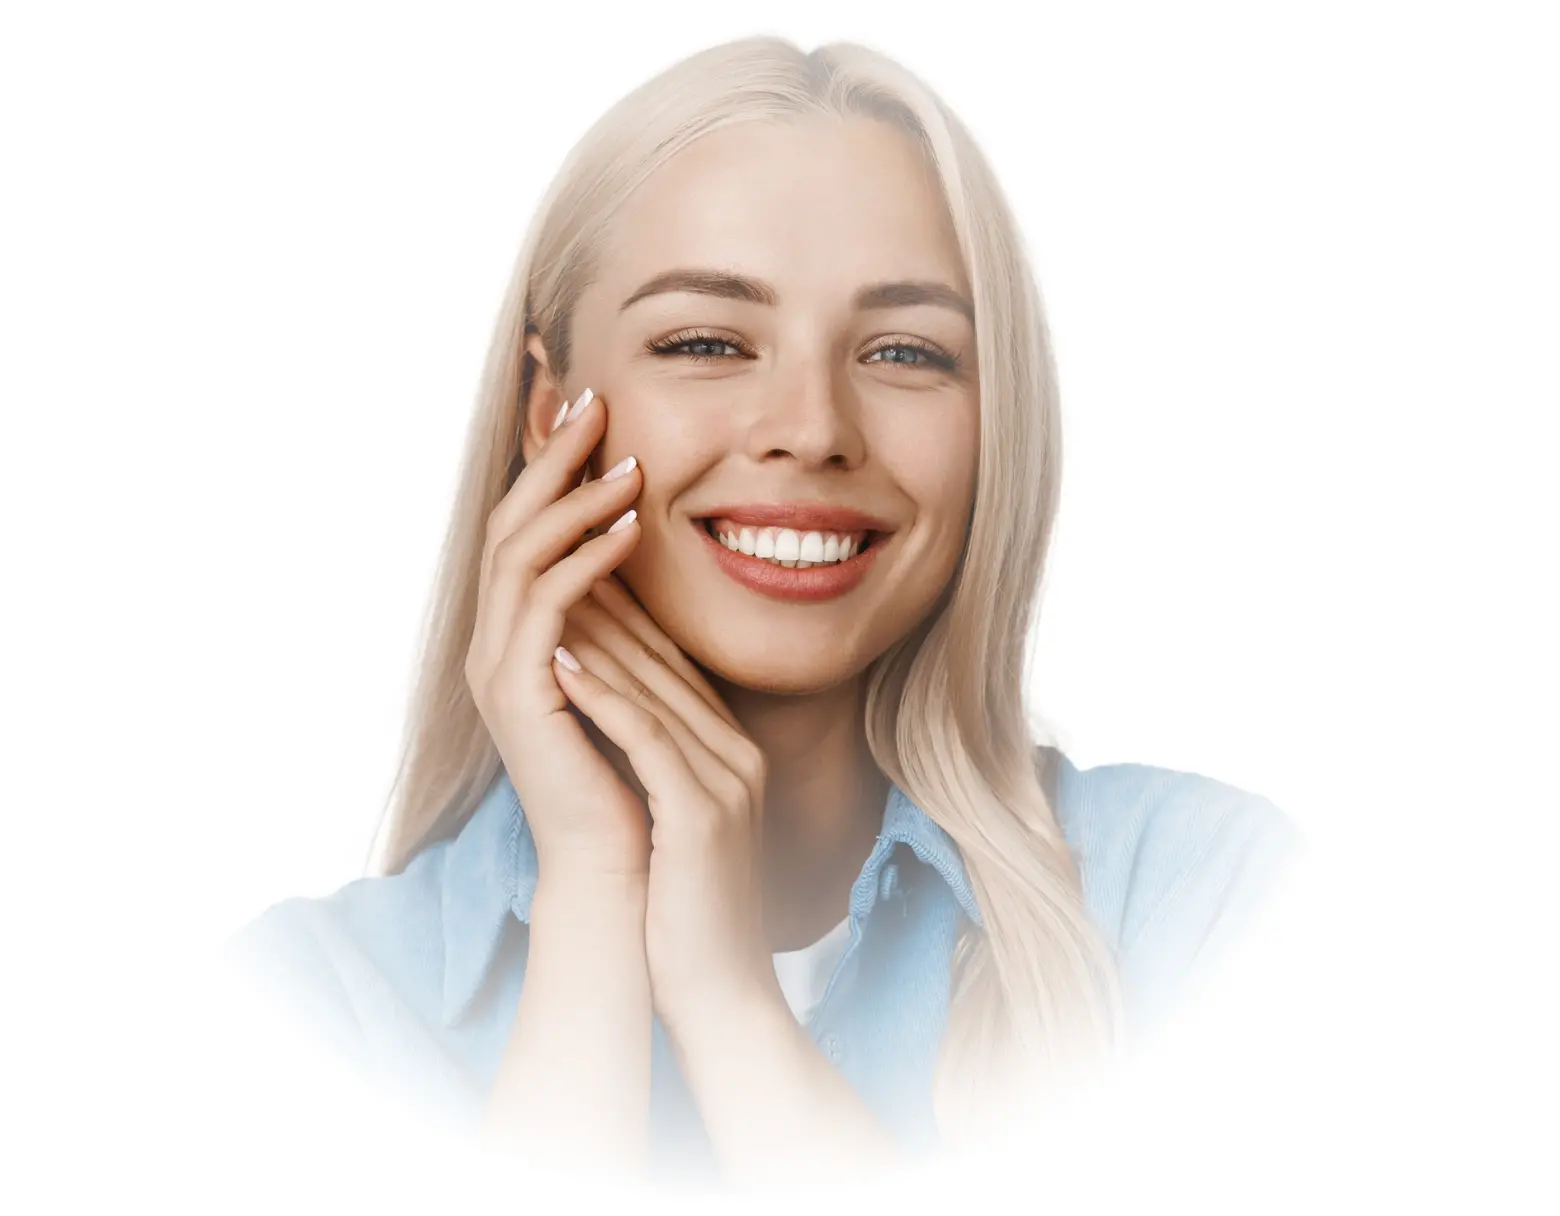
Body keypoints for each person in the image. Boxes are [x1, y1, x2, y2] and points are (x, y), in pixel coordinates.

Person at [227, 33, 1300, 1191]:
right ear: (550, 417)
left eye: (905, 350)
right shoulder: (300, 1014)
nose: (811, 426)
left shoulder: (1215, 912)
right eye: (704, 341)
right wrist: (595, 886)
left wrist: (729, 1000)